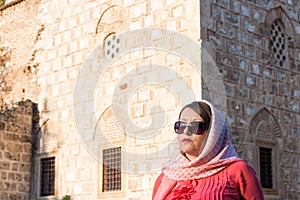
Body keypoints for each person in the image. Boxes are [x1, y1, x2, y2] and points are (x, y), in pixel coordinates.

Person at [152, 100, 264, 200]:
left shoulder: (237, 171)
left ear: (213, 133)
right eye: (181, 125)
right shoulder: (166, 177)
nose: (186, 131)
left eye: (195, 125)